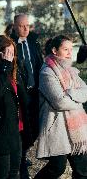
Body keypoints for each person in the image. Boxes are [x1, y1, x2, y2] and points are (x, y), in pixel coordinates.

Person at [34, 35, 87, 179]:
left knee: (83, 170)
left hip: (76, 130)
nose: (70, 53)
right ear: (54, 50)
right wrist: (77, 101)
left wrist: (70, 93)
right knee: (57, 168)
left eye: (71, 49)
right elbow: (59, 102)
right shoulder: (47, 72)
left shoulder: (71, 70)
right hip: (57, 129)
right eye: (65, 49)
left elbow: (85, 91)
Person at [0, 35, 30, 179]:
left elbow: (23, 98)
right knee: (2, 173)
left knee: (14, 171)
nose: (10, 56)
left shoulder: (12, 70)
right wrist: (4, 66)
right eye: (7, 52)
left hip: (15, 128)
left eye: (12, 53)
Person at [10, 13, 43, 179]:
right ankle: (21, 163)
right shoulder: (10, 44)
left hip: (35, 91)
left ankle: (24, 151)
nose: (25, 29)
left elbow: (39, 63)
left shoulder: (33, 42)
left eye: (27, 25)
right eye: (21, 26)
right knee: (23, 128)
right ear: (14, 26)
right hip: (20, 94)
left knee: (36, 126)